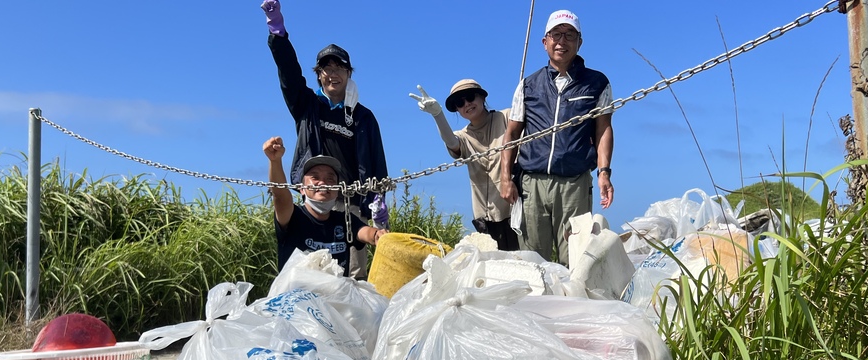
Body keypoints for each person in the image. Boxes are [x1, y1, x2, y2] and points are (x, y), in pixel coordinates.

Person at [261, 0, 389, 279]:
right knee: (311, 265)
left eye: (339, 68)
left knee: (353, 272)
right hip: (315, 193)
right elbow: (289, 75)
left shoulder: (363, 116)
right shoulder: (307, 105)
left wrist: (377, 200)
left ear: (348, 74)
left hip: (352, 198)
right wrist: (278, 32)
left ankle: (352, 318)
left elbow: (377, 161)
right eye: (326, 69)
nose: (333, 73)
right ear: (318, 75)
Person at [500, 9, 614, 268]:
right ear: (545, 42)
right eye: (556, 35)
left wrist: (604, 172)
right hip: (532, 184)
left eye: (569, 35)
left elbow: (604, 129)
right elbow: (512, 133)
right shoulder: (528, 84)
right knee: (532, 263)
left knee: (575, 260)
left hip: (574, 183)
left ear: (579, 42)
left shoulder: (597, 83)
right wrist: (505, 179)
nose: (562, 41)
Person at [410, 80, 520, 251]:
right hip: (485, 219)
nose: (467, 104)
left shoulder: (507, 117)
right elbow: (451, 141)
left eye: (470, 97)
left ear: (482, 97)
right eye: (459, 103)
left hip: (515, 211)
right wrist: (437, 115)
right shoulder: (463, 136)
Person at [263, 136, 387, 273]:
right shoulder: (293, 216)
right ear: (302, 189)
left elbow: (365, 232)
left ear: (337, 190)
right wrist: (275, 161)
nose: (323, 183)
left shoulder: (345, 220)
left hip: (335, 292)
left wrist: (378, 235)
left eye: (330, 179)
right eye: (315, 177)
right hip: (296, 293)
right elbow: (280, 196)